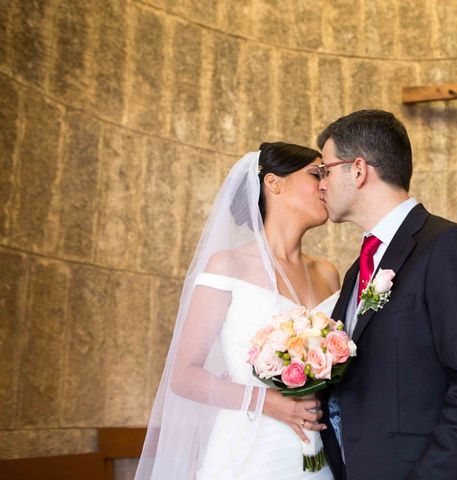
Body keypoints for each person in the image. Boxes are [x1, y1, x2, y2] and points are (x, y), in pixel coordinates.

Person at [316, 110, 457, 480]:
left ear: (358, 170)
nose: (320, 184)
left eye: (326, 169)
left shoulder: (449, 246)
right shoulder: (359, 269)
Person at [135, 142, 340, 479]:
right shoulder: (229, 265)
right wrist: (273, 403)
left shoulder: (327, 273)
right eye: (316, 173)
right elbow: (184, 375)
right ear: (275, 184)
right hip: (252, 451)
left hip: (318, 450)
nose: (325, 184)